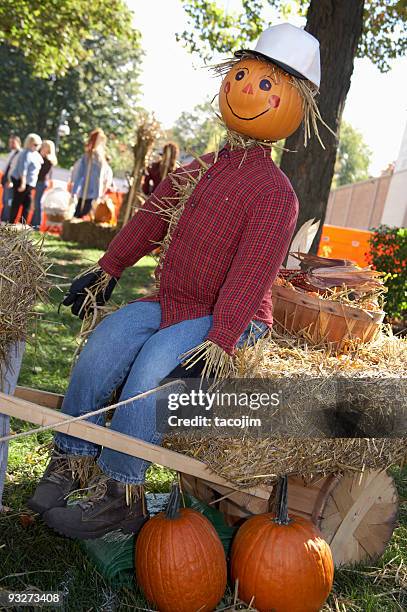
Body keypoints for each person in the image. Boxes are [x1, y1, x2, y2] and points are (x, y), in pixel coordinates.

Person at [28, 24, 324, 539]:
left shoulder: (276, 195)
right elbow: (149, 218)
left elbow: (252, 275)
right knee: (104, 345)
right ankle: (72, 459)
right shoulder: (199, 170)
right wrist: (108, 268)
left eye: (265, 84)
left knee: (150, 373)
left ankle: (123, 493)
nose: (244, 89)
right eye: (240, 74)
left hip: (230, 320)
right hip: (172, 300)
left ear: (294, 106)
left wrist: (221, 339)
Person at [71, 129, 113, 218]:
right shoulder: (89, 156)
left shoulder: (98, 157)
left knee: (84, 215)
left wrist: (97, 195)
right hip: (86, 192)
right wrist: (74, 191)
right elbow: (80, 174)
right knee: (79, 215)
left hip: (92, 194)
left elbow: (99, 177)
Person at [9, 133, 43, 224]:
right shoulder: (25, 153)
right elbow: (22, 169)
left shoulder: (35, 154)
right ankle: (11, 223)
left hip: (30, 183)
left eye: (38, 145)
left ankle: (22, 225)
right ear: (29, 143)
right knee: (17, 203)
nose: (37, 147)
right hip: (22, 182)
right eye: (35, 144)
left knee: (27, 204)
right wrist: (23, 183)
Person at [31, 140, 58, 230]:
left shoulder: (49, 160)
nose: (42, 147)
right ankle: (33, 223)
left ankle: (36, 225)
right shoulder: (37, 155)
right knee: (34, 203)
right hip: (37, 182)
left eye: (45, 146)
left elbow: (42, 173)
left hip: (41, 183)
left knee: (37, 203)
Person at [1, 134, 21, 223]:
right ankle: (3, 219)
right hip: (6, 180)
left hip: (12, 181)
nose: (11, 144)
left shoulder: (20, 154)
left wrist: (10, 179)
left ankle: (6, 220)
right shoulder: (11, 153)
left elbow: (15, 169)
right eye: (10, 142)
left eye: (13, 142)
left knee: (9, 201)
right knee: (5, 201)